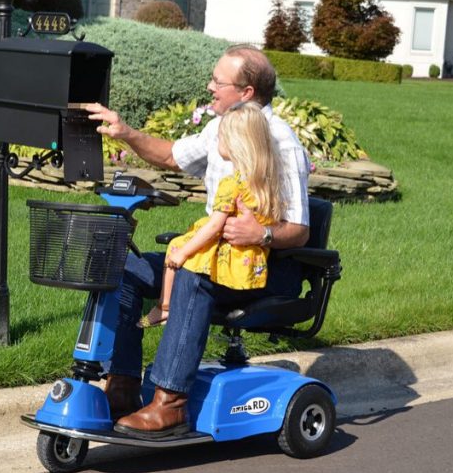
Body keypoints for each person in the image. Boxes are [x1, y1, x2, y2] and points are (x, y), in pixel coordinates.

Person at [84, 44, 311, 439]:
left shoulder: (279, 141)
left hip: (263, 268)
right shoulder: (220, 126)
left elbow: (300, 230)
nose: (209, 87)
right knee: (125, 270)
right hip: (216, 254)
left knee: (192, 272)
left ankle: (169, 403)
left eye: (218, 82)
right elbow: (173, 156)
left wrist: (263, 233)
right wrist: (125, 133)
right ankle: (122, 388)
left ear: (247, 92)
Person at [140, 102, 285, 329]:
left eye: (221, 138)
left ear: (236, 145)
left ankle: (164, 307)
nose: (218, 143)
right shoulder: (267, 182)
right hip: (251, 264)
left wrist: (184, 253)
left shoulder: (232, 184)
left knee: (176, 247)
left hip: (226, 259)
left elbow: (215, 226)